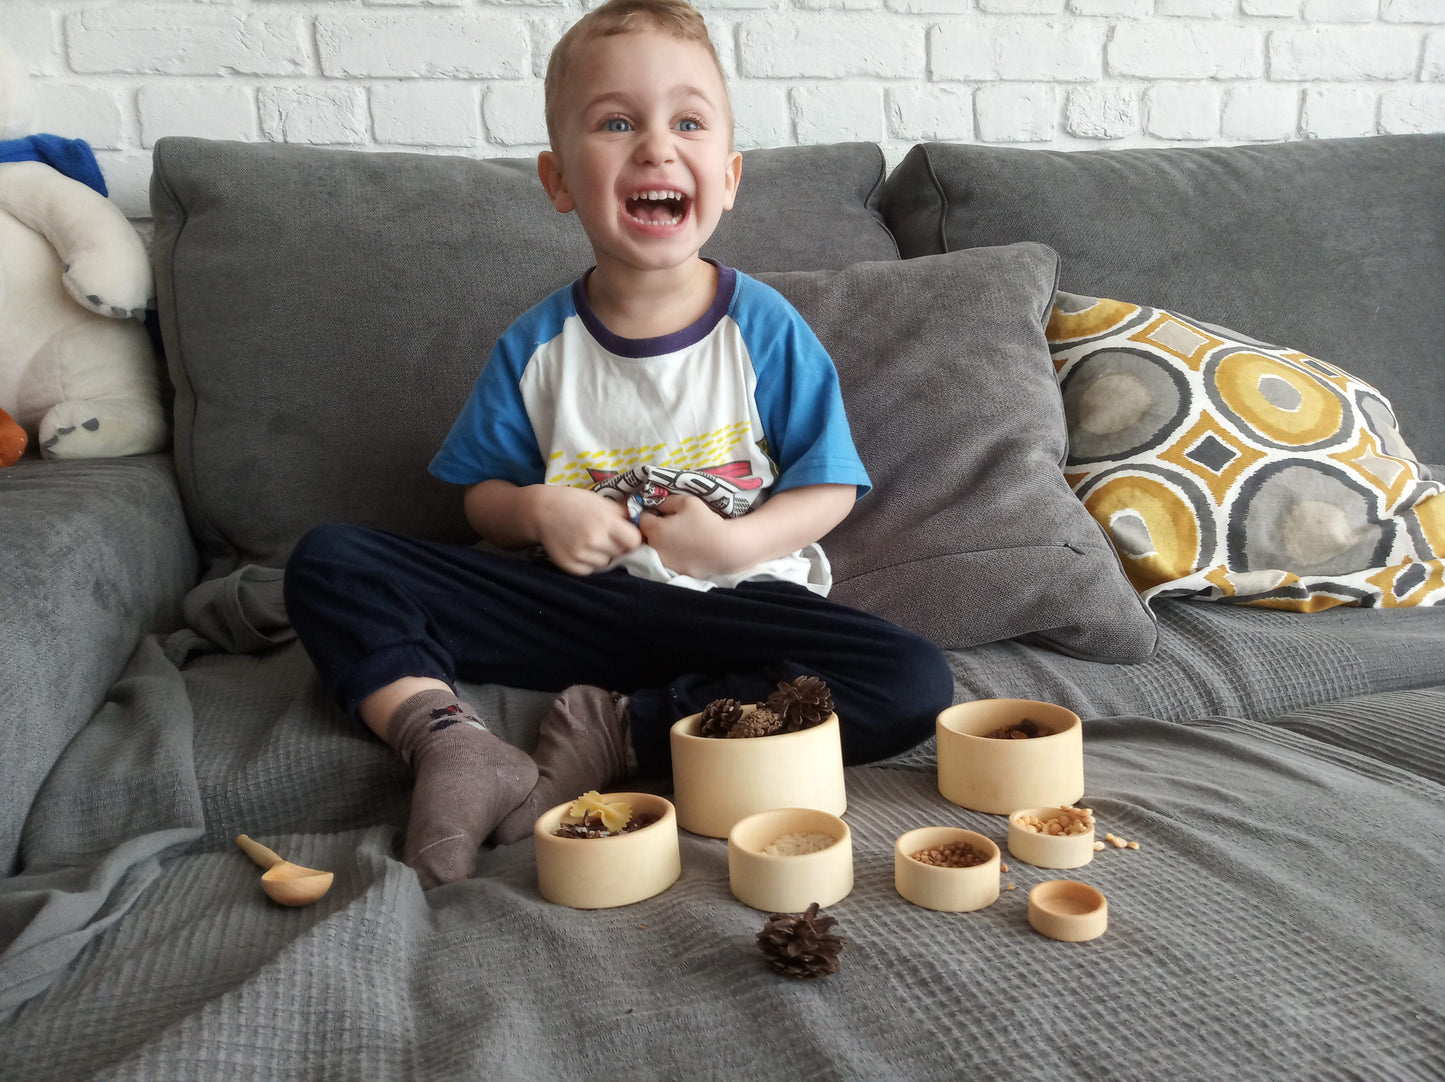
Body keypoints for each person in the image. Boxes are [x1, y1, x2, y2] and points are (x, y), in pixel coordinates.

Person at [284, 0, 953, 889]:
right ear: (559, 180)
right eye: (615, 122)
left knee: (909, 679)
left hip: (733, 611)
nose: (654, 146)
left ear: (727, 176)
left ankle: (624, 729)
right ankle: (448, 741)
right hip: (575, 606)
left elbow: (829, 486)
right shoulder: (537, 346)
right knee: (330, 561)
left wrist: (734, 542)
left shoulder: (763, 328)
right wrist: (532, 510)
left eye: (686, 122)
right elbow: (477, 495)